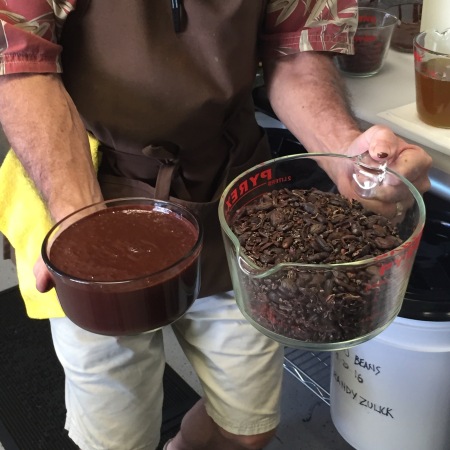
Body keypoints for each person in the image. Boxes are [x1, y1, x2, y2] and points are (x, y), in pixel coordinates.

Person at [0, 1, 432, 449]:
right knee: (116, 438)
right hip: (90, 190)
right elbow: (22, 64)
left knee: (246, 428)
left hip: (235, 197)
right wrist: (83, 228)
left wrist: (347, 157)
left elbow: (297, 53)